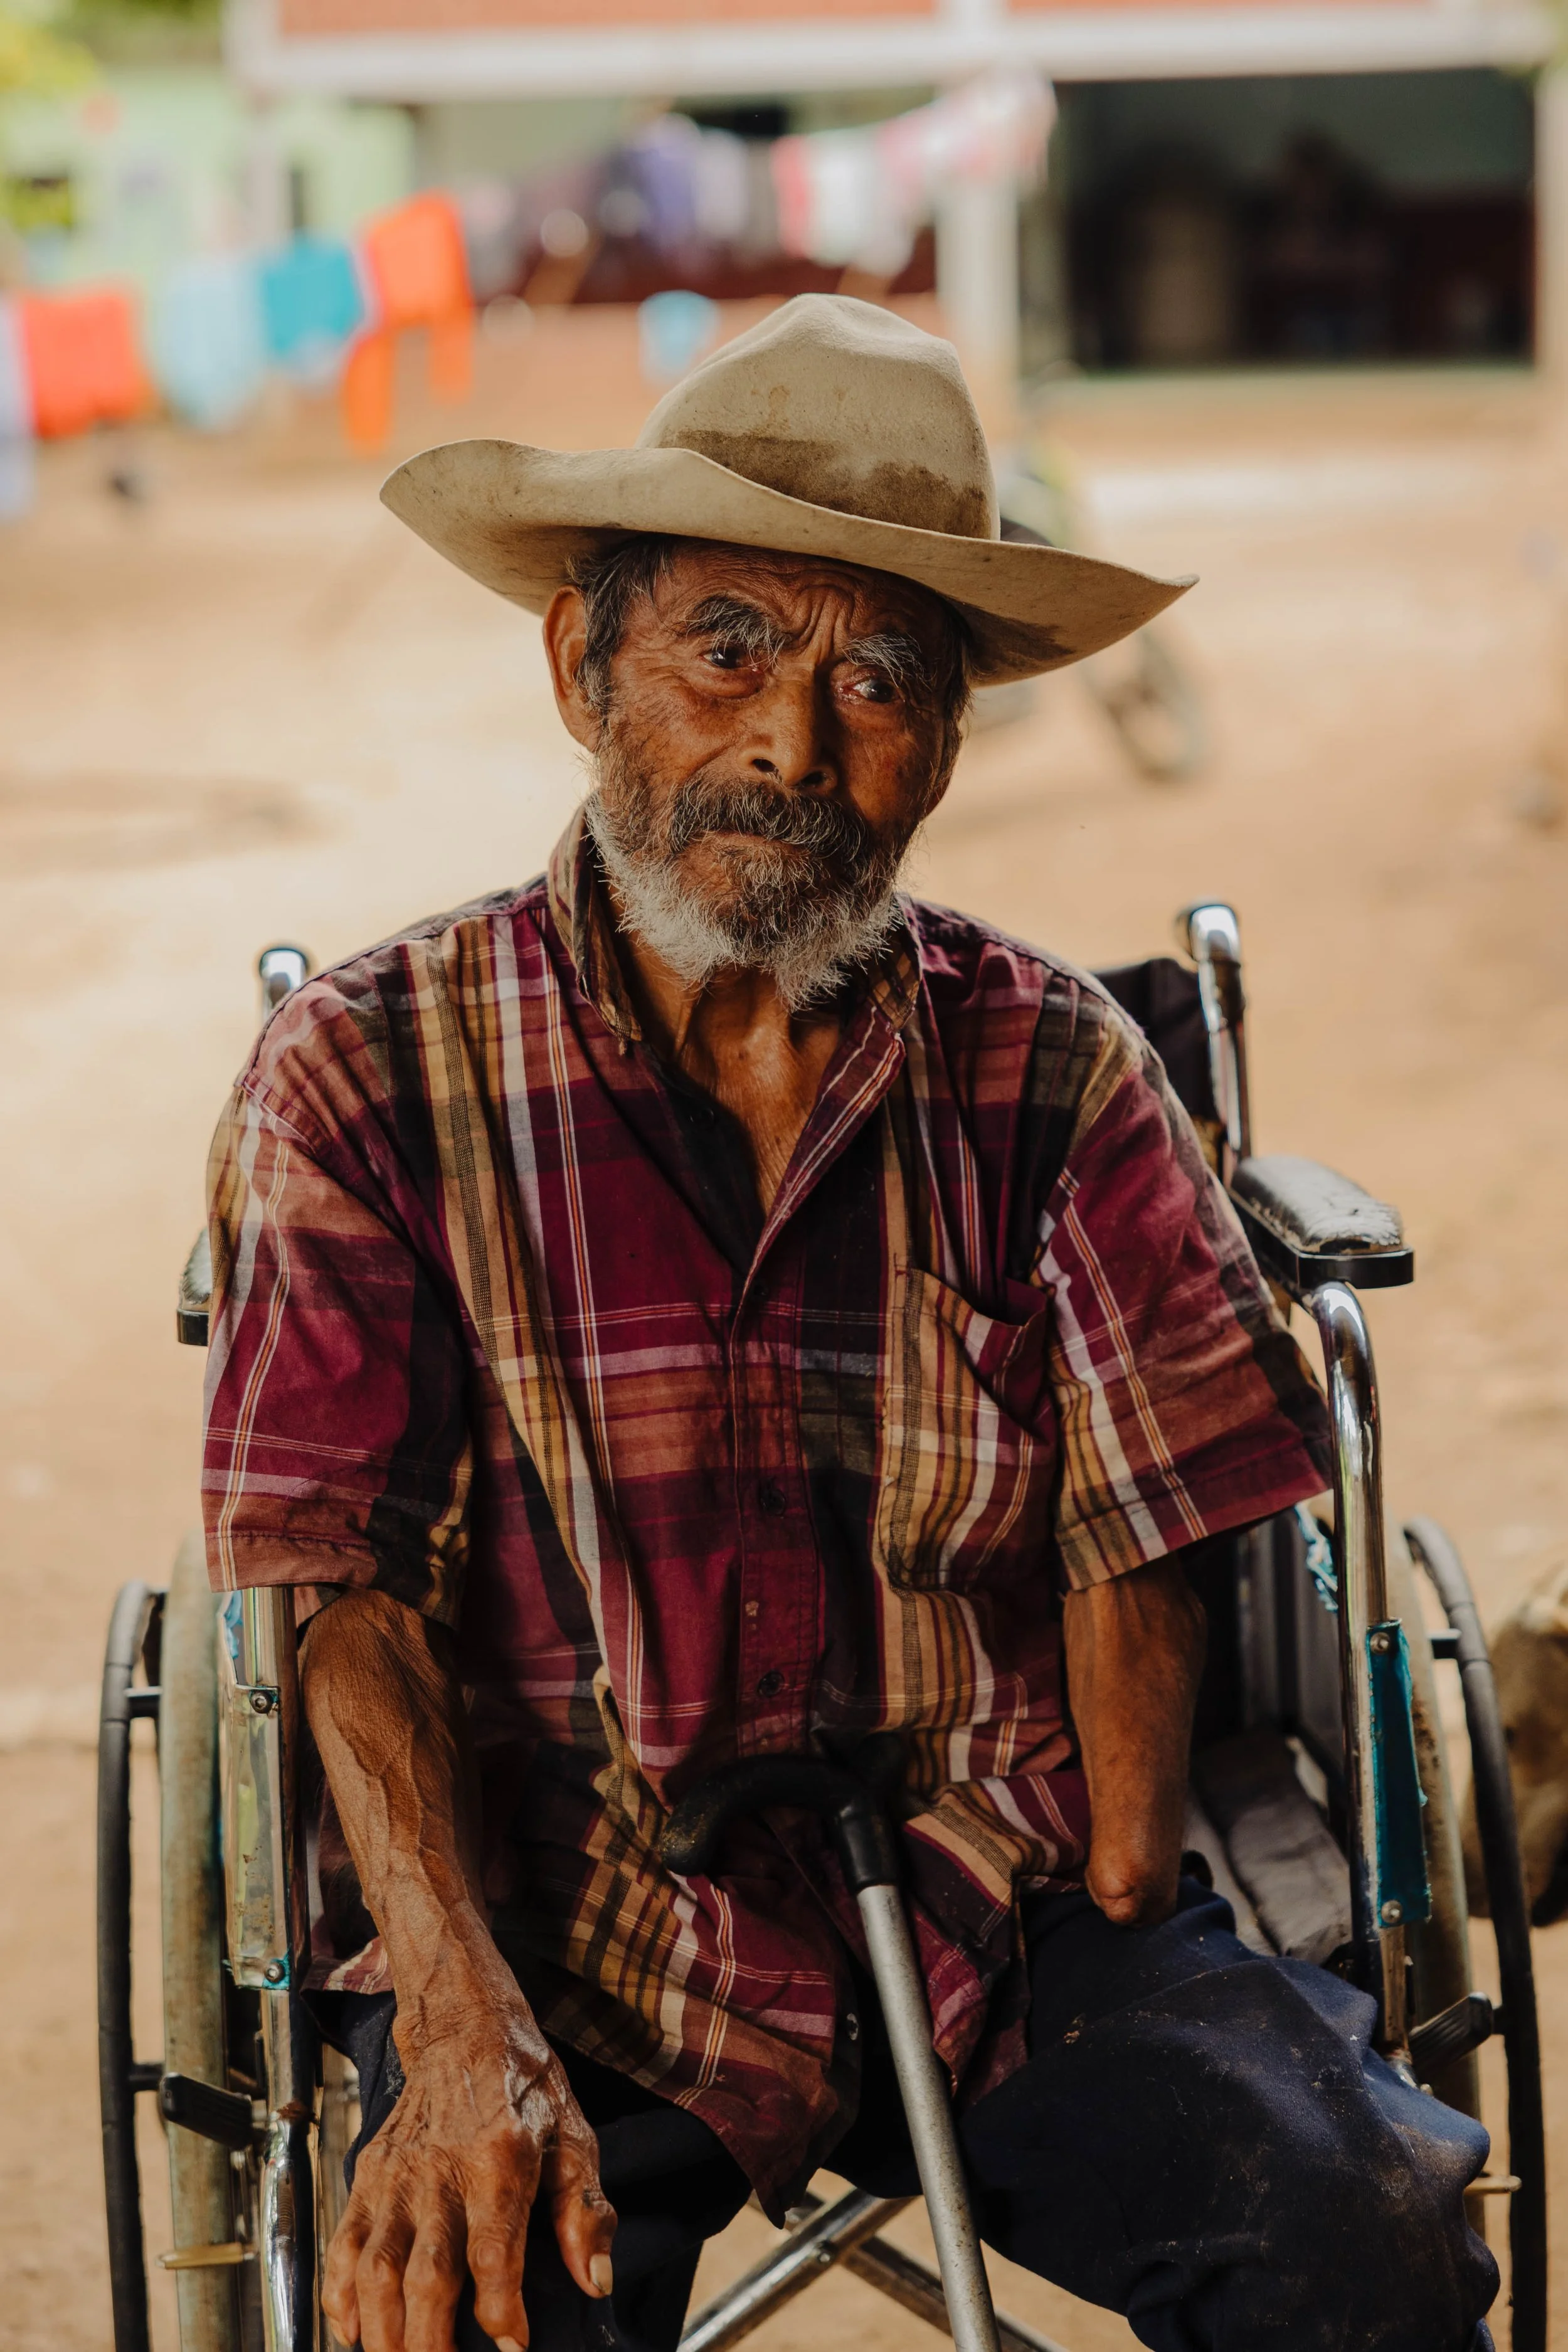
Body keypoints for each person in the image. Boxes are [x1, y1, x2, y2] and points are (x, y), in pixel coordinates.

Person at [203, 295, 1498, 2352]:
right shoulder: (365, 1073)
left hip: (1003, 1898)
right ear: (580, 664)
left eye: (876, 676)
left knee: (1363, 2233)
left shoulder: (1058, 1069)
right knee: (460, 2309)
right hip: (562, 1917)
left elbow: (1145, 1528)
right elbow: (333, 1584)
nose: (791, 744)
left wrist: (1130, 1882)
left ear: (950, 740)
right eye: (726, 644)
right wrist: (452, 2014)